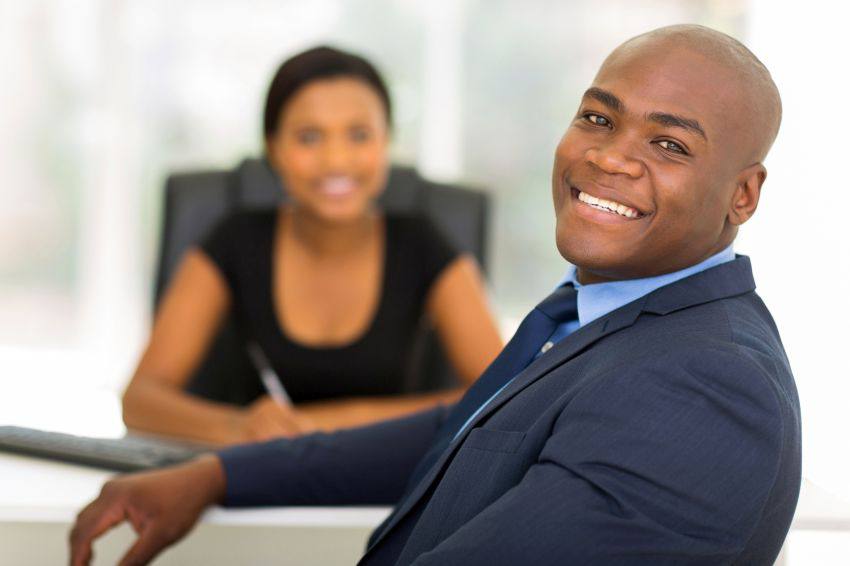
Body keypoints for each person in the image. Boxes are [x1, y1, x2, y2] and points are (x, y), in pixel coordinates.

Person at [70, 24, 801, 566]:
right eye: (599, 118)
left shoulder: (706, 383)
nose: (609, 156)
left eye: (669, 145)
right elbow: (472, 429)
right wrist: (218, 473)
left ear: (743, 193)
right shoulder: (600, 317)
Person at [121, 46, 504, 445]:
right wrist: (238, 426)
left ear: (386, 142)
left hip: (385, 485)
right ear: (274, 149)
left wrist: (326, 421)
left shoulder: (423, 242)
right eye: (309, 137)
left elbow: (506, 395)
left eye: (359, 135)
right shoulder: (235, 238)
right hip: (252, 481)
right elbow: (140, 401)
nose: (336, 160)